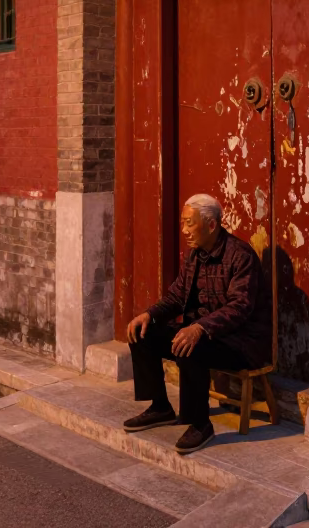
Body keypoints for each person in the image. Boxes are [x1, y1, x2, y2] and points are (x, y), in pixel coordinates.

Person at [123, 193, 272, 454]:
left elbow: (240, 307)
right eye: (183, 223)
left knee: (191, 344)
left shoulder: (240, 255)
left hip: (240, 343)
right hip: (204, 334)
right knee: (142, 333)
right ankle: (161, 407)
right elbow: (177, 295)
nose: (184, 231)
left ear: (211, 225)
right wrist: (150, 314)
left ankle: (200, 424)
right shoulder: (195, 256)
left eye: (189, 224)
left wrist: (200, 328)